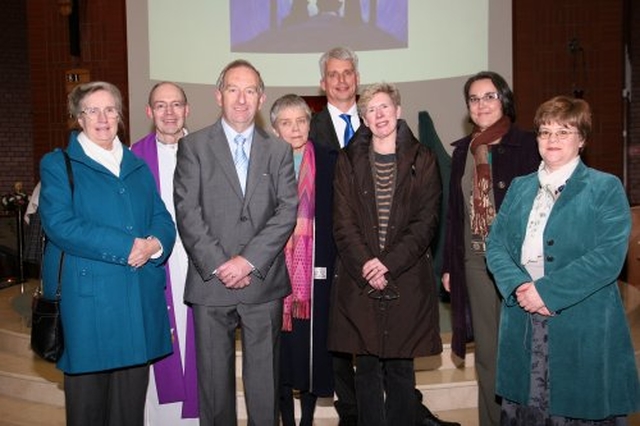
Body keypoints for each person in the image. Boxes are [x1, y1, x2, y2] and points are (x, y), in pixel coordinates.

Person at [486, 95, 640, 423]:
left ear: (582, 139)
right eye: (545, 132)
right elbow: (496, 244)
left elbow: (607, 258)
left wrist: (547, 292)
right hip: (523, 318)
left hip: (583, 324)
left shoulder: (605, 187)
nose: (552, 140)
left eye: (564, 131)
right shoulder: (519, 187)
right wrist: (519, 287)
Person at [38, 81, 176, 426]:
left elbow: (161, 217)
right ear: (78, 119)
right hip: (88, 306)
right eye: (93, 110)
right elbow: (60, 225)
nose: (103, 117)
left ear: (120, 116)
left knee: (129, 412)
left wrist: (155, 244)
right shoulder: (59, 164)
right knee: (88, 411)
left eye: (111, 109)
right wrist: (128, 247)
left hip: (137, 301)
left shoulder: (136, 164)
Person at [174, 59, 298, 425]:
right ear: (218, 95)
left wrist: (248, 262)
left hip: (263, 282)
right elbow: (187, 212)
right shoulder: (194, 146)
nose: (241, 99)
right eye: (233, 89)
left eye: (250, 90)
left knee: (265, 386)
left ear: (261, 98)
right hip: (211, 284)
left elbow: (286, 212)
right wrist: (221, 264)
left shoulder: (278, 151)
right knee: (214, 387)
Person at [328, 82, 442, 426]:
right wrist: (368, 265)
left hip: (405, 278)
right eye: (370, 110)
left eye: (384, 107)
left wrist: (387, 264)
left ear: (398, 110)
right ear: (363, 118)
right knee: (365, 369)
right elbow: (342, 222)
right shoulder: (347, 160)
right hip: (359, 278)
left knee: (401, 370)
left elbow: (427, 221)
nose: (379, 115)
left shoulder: (424, 159)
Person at [441, 71, 540, 426]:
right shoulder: (462, 152)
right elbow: (455, 214)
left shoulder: (528, 145)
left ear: (505, 100)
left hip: (518, 263)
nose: (481, 104)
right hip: (474, 260)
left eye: (489, 96)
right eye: (474, 99)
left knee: (525, 350)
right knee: (487, 354)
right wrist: (450, 265)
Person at [131, 82, 199, 425]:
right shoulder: (133, 157)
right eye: (161, 106)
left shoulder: (206, 150)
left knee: (198, 344)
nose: (169, 113)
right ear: (149, 112)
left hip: (199, 263)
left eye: (176, 105)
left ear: (187, 110)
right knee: (162, 344)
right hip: (155, 263)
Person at [269, 94, 338, 426]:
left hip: (315, 274)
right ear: (274, 128)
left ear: (310, 124)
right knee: (280, 356)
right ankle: (286, 419)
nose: (295, 128)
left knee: (311, 351)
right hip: (273, 274)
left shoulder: (330, 160)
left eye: (301, 120)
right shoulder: (262, 163)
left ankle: (308, 419)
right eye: (286, 122)